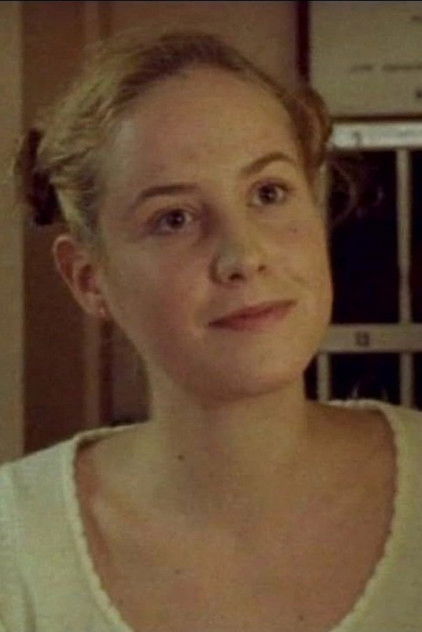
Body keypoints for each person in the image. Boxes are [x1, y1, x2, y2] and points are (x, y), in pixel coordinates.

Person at [1, 29, 422, 632]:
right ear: (89, 279)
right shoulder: (15, 542)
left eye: (269, 193)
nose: (243, 255)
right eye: (173, 218)